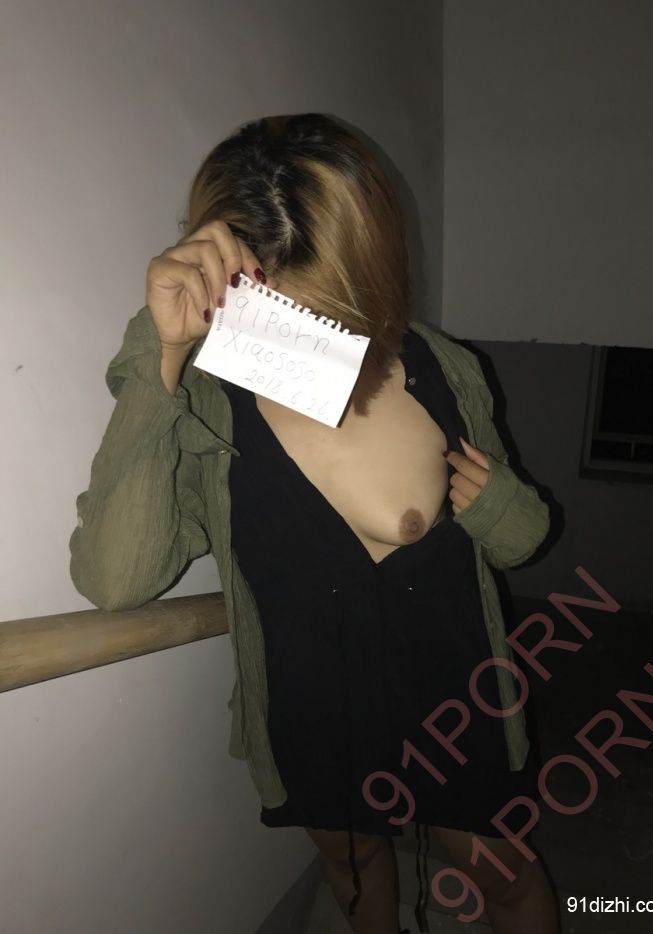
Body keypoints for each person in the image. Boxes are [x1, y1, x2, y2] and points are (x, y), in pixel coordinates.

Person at [70, 113, 559, 934]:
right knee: (356, 872)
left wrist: (502, 504)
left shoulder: (443, 368)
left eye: (333, 308)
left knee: (508, 881)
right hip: (309, 715)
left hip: (457, 699)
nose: (309, 335)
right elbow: (117, 579)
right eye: (277, 305)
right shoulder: (199, 391)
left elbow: (522, 539)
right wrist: (158, 352)